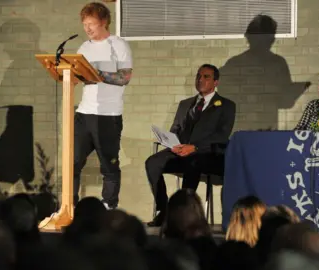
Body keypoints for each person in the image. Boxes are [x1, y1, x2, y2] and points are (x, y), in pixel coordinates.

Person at [145, 64, 236, 227]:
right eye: (198, 76)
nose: (200, 79)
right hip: (180, 150)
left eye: (206, 77)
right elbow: (176, 128)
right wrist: (172, 143)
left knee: (193, 162)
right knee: (152, 163)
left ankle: (183, 214)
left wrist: (194, 147)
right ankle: (164, 210)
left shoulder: (227, 105)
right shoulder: (185, 104)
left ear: (216, 82)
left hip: (208, 154)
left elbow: (221, 135)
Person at [73, 2, 133, 210]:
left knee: (109, 165)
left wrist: (99, 74)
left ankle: (109, 206)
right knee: (72, 162)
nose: (87, 28)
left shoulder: (118, 45)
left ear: (104, 22)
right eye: (84, 24)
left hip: (108, 115)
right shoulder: (84, 48)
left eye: (91, 24)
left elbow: (125, 77)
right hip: (83, 113)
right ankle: (69, 206)